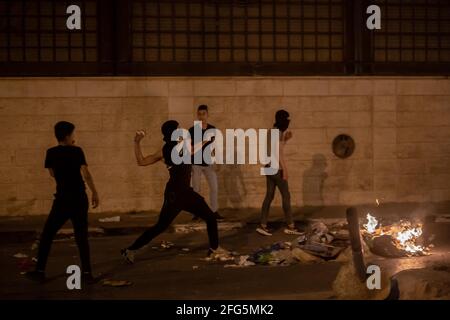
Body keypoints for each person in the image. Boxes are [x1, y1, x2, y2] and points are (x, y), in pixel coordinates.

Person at [121, 120, 223, 264]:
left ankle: (214, 249)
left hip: (178, 193)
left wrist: (136, 142)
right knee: (207, 218)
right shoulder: (177, 147)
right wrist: (206, 141)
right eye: (178, 128)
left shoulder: (164, 150)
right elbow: (192, 149)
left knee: (164, 225)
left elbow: (141, 161)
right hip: (179, 194)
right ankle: (130, 250)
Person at [26, 121, 99, 283]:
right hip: (79, 198)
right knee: (81, 236)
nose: (74, 137)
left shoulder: (50, 153)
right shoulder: (78, 151)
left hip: (62, 199)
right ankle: (87, 274)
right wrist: (94, 192)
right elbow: (86, 174)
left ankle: (39, 271)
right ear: (67, 136)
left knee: (47, 235)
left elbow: (52, 174)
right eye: (73, 134)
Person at [256, 110, 303, 236]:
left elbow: (274, 149)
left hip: (268, 167)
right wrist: (285, 170)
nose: (288, 122)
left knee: (269, 196)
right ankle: (291, 225)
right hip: (277, 168)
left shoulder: (271, 132)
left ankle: (263, 224)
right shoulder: (279, 133)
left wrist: (285, 139)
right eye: (287, 119)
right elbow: (278, 153)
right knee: (286, 196)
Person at [189, 105, 223, 221]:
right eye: (199, 114)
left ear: (208, 115)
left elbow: (215, 147)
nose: (202, 116)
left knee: (214, 187)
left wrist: (217, 161)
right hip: (196, 163)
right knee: (196, 190)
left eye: (204, 114)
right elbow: (190, 148)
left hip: (208, 163)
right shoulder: (193, 130)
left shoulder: (212, 129)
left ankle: (214, 211)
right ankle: (197, 212)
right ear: (197, 115)